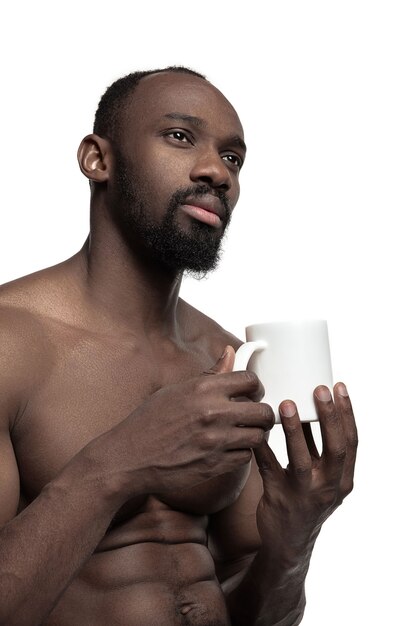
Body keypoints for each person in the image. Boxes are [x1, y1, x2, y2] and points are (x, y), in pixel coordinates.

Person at [0, 66, 358, 626]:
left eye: (233, 157)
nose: (217, 171)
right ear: (99, 160)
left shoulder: (228, 361)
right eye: (180, 136)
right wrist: (119, 461)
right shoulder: (10, 344)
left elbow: (255, 614)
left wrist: (293, 542)